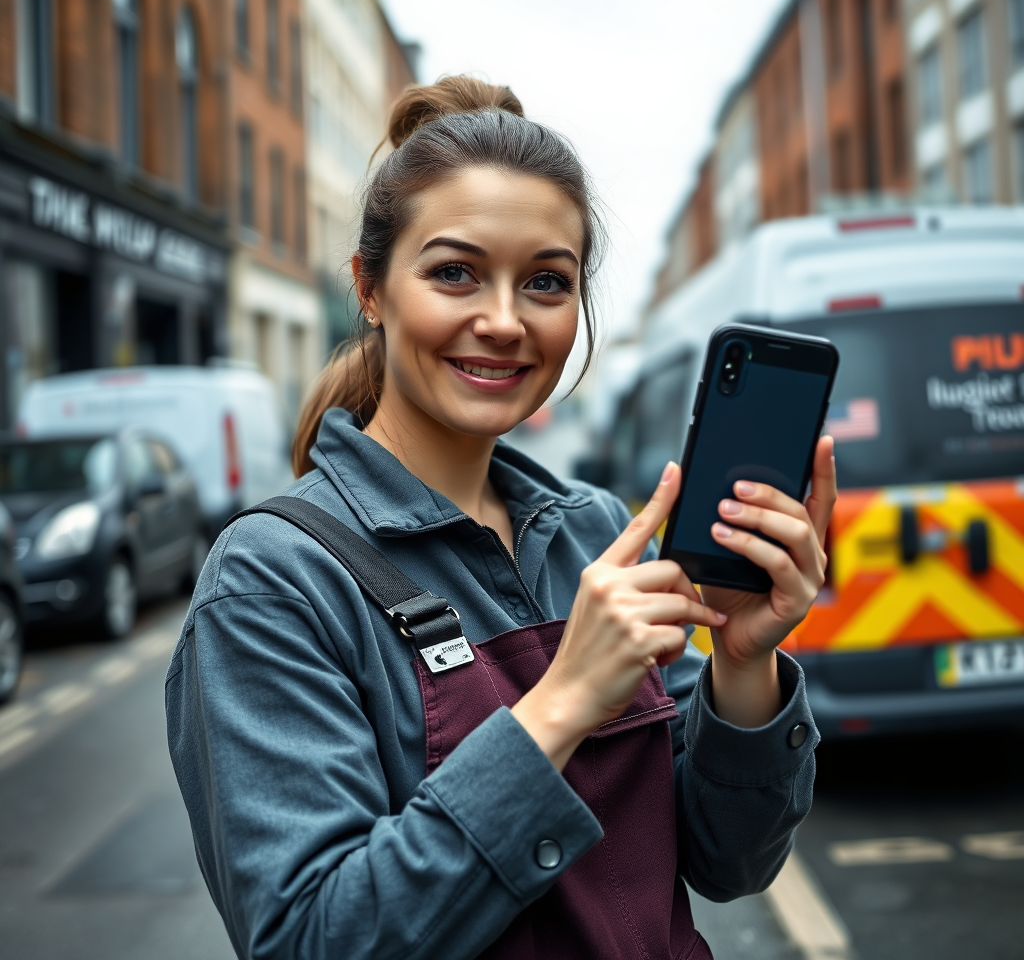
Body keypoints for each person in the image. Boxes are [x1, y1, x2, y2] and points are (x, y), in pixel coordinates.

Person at [166, 76, 835, 960]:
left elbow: (727, 863)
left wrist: (743, 670)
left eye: (547, 283)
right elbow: (310, 940)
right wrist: (560, 704)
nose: (504, 321)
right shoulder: (272, 582)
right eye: (455, 273)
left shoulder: (599, 529)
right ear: (369, 289)